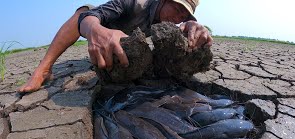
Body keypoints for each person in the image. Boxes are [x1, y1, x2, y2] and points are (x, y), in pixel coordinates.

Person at [18, 0, 213, 93]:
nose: (178, 17)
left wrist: (193, 27)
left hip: (121, 44)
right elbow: (88, 20)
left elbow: (183, 29)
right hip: (105, 25)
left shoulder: (169, 22)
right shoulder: (135, 3)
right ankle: (43, 69)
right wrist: (94, 30)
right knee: (83, 12)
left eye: (184, 15)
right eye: (177, 8)